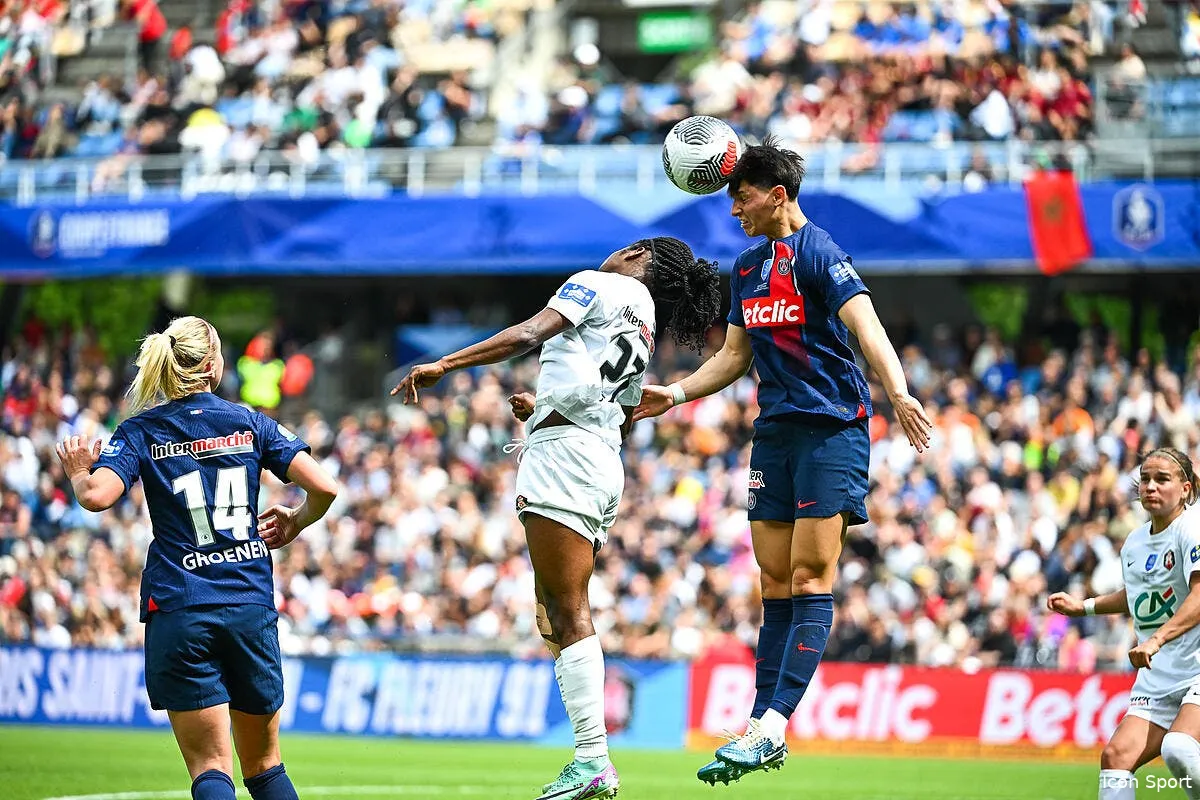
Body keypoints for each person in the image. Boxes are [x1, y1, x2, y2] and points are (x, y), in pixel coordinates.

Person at [633, 138, 932, 785]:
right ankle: (760, 723)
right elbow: (736, 357)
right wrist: (677, 393)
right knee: (772, 587)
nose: (734, 211)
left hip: (832, 432)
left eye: (740, 200)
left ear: (777, 195)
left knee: (806, 580)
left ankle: (773, 726)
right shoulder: (745, 269)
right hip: (774, 436)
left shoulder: (820, 254)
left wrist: (899, 391)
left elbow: (867, 326)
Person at [393, 237, 722, 800]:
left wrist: (446, 363)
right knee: (554, 610)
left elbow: (527, 334)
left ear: (640, 255)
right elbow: (613, 405)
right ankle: (589, 755)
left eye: (626, 248)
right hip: (596, 458)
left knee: (566, 611)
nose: (615, 252)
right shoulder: (643, 320)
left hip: (567, 459)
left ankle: (593, 757)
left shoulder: (595, 284)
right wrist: (541, 404)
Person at [55, 316, 339, 800]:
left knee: (210, 769)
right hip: (248, 605)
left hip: (180, 607)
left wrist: (81, 472)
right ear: (212, 366)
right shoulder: (249, 422)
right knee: (266, 767)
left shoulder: (141, 430)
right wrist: (295, 521)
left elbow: (98, 497)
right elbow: (326, 487)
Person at [1048, 448, 1200, 800]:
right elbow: (1137, 594)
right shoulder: (1134, 543)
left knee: (1179, 747)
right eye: (1145, 479)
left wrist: (1156, 640)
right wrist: (1083, 607)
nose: (1151, 486)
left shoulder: (1192, 528)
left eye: (1163, 479)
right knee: (1116, 758)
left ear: (1187, 489)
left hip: (1195, 667)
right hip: (1159, 674)